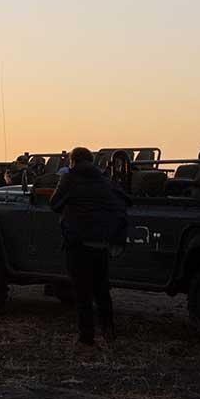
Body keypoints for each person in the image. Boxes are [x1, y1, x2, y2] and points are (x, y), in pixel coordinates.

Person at [50, 146, 132, 349]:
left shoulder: (69, 179)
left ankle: (86, 338)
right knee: (102, 290)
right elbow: (125, 200)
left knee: (82, 293)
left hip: (78, 244)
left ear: (73, 162)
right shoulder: (104, 180)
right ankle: (109, 331)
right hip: (101, 244)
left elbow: (54, 204)